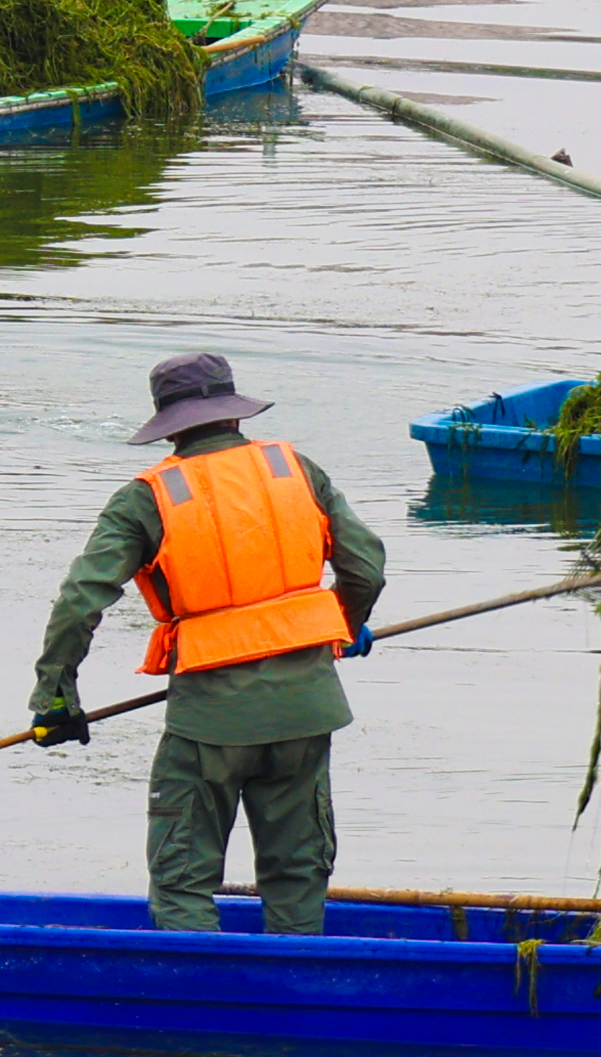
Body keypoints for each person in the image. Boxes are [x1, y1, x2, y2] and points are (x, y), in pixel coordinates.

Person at [31, 352, 388, 934]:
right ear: (233, 412)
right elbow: (366, 564)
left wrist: (55, 696)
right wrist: (346, 624)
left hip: (209, 724)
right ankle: (293, 998)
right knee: (298, 873)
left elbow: (80, 600)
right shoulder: (293, 468)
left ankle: (196, 999)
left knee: (182, 877)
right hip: (306, 710)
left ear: (170, 423)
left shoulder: (148, 497)